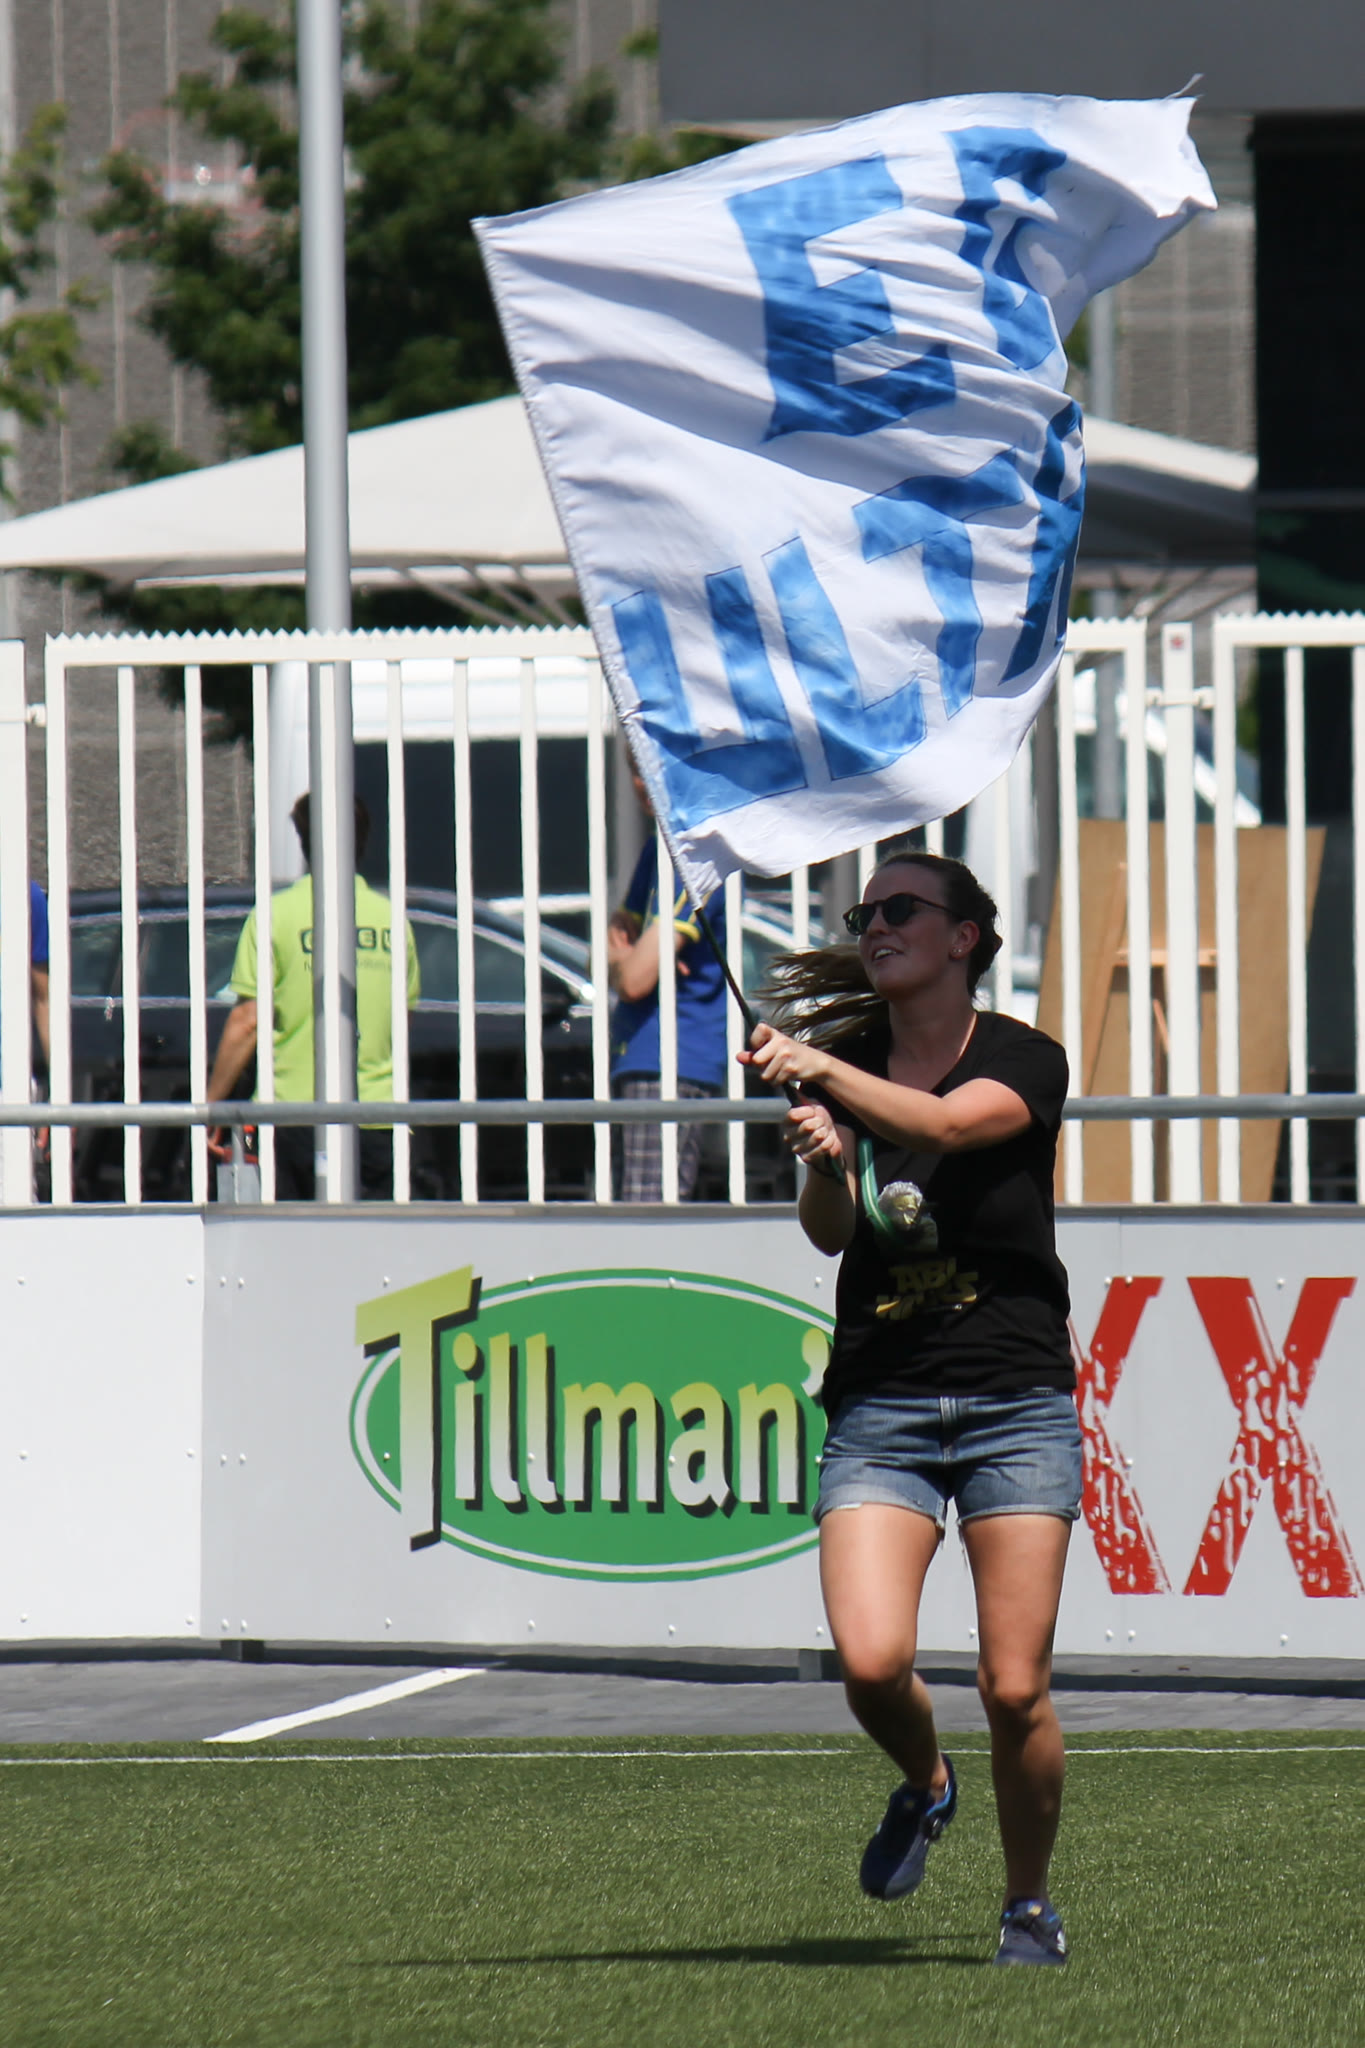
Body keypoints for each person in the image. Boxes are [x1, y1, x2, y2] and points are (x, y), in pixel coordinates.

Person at [740, 847, 1079, 1968]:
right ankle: (928, 1783)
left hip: (1013, 1400)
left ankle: (1026, 1905)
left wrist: (818, 1075)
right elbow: (833, 1230)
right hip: (881, 1398)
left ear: (962, 937)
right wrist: (823, 1164)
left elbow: (943, 1127)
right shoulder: (847, 1066)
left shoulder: (1025, 1057)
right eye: (864, 913)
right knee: (873, 1662)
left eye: (900, 909)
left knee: (1014, 1687)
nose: (874, 926)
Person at [207, 795, 419, 1199]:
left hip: (292, 1113)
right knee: (376, 1233)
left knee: (295, 1233)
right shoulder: (392, 920)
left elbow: (248, 1021)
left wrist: (212, 1102)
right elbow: (401, 1021)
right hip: (378, 1114)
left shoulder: (275, 915)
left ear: (303, 841)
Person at [608, 769, 727, 1201]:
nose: (640, 781)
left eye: (650, 766)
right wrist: (629, 959)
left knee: (647, 1215)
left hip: (669, 1059)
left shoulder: (695, 851)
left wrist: (630, 960)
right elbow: (612, 946)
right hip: (646, 1055)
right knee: (635, 1211)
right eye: (633, 768)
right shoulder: (658, 848)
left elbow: (635, 979)